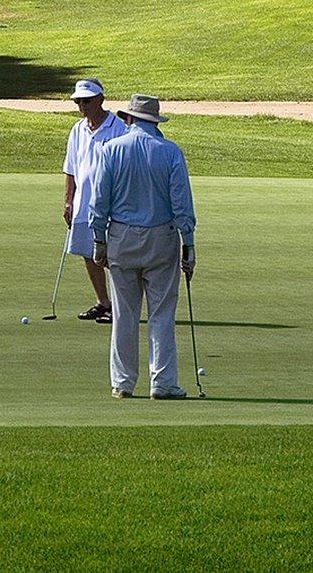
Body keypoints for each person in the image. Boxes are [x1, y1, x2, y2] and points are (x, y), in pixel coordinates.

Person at [89, 95, 196, 400]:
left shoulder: (111, 150)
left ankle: (123, 383)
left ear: (129, 119)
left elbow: (99, 202)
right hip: (161, 239)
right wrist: (188, 245)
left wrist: (99, 240)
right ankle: (162, 382)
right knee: (161, 313)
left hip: (121, 238)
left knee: (124, 313)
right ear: (154, 122)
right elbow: (182, 205)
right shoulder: (171, 152)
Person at [62, 78, 126, 322]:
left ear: (101, 99)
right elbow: (71, 168)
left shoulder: (118, 128)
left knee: (111, 257)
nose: (82, 105)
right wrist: (68, 201)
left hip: (110, 204)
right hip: (82, 203)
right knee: (87, 252)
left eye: (87, 100)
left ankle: (120, 308)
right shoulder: (78, 129)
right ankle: (103, 302)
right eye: (79, 101)